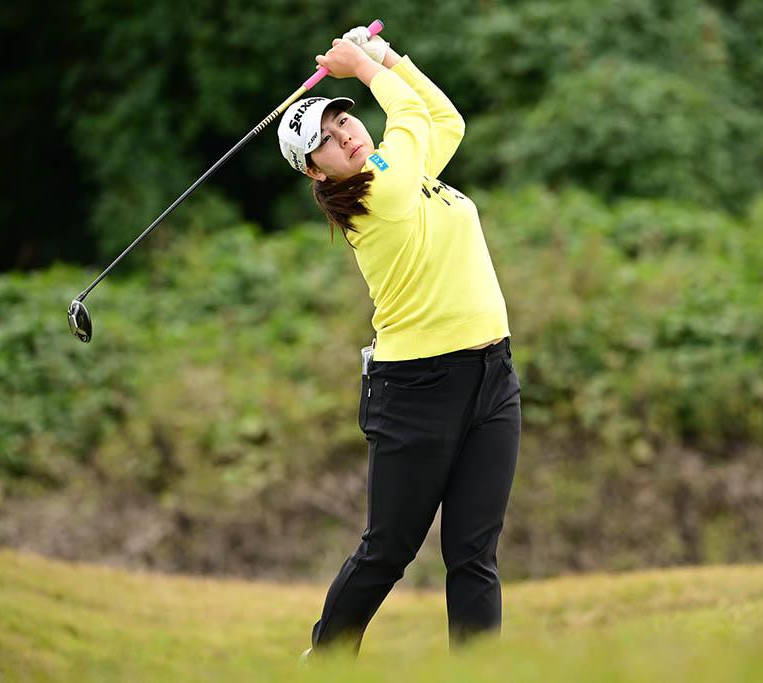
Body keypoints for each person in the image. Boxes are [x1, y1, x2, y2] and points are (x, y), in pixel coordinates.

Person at [277, 27, 521, 657]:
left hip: (491, 375)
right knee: (388, 549)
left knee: (474, 553)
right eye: (325, 141)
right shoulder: (375, 195)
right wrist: (364, 67)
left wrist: (387, 57)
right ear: (315, 171)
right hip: (417, 390)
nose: (345, 136)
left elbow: (445, 121)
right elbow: (409, 112)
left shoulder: (394, 168)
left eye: (343, 121)